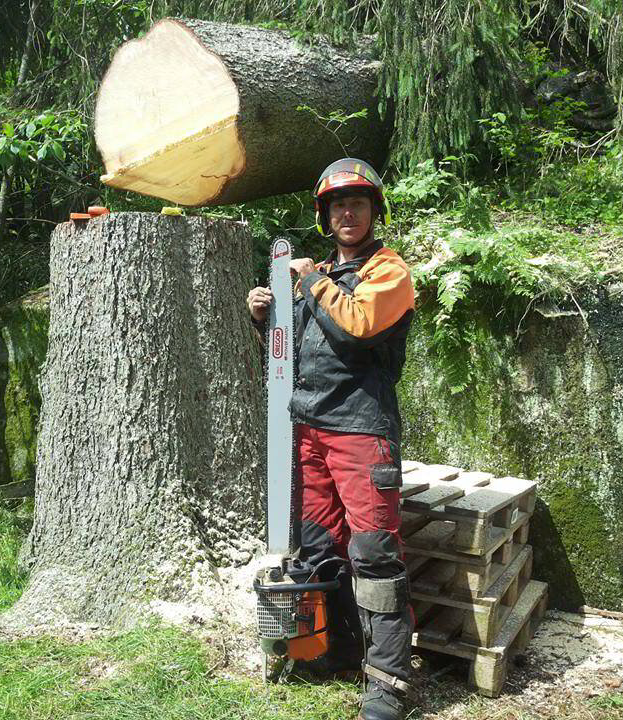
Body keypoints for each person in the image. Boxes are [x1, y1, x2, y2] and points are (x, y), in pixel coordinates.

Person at [247, 158, 417, 720]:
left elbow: (356, 329)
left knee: (374, 556)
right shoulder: (319, 277)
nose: (349, 213)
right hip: (310, 431)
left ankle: (388, 685)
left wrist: (310, 281)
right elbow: (292, 349)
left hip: (361, 432)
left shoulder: (388, 272)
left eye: (359, 204)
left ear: (374, 212)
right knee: (320, 550)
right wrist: (266, 315)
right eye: (338, 205)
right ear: (325, 215)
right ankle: (337, 652)